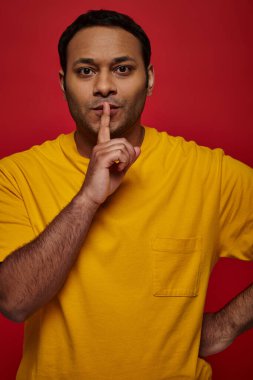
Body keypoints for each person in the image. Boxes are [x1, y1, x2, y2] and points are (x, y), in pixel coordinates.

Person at [0, 9, 252, 380]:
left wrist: (228, 324)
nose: (104, 86)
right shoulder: (16, 175)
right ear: (62, 82)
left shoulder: (208, 173)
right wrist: (87, 199)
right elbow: (14, 302)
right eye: (86, 70)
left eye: (122, 69)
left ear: (148, 79)